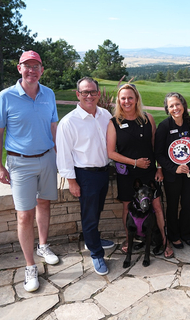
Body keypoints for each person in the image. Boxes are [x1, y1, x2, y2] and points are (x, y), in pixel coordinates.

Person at [0, 50, 59, 292]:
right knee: (24, 215)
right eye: (26, 66)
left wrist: (59, 155)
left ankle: (42, 246)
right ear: (19, 68)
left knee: (44, 204)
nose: (31, 70)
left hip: (47, 158)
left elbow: (53, 126)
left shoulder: (49, 94)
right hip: (20, 163)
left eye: (36, 66)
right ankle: (30, 266)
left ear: (42, 70)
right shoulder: (5, 96)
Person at [56, 77, 116, 276]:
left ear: (98, 94)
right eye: (85, 92)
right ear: (78, 95)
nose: (89, 96)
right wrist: (72, 181)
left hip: (103, 172)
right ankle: (96, 253)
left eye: (92, 92)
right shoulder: (69, 122)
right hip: (85, 175)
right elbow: (63, 155)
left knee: (97, 211)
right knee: (89, 216)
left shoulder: (105, 114)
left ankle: (94, 240)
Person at [107, 84, 174, 259]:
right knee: (127, 208)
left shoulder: (147, 118)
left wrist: (159, 167)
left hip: (149, 172)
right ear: (118, 101)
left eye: (130, 97)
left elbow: (155, 146)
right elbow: (111, 152)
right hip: (127, 174)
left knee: (157, 207)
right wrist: (134, 162)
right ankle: (130, 240)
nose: (127, 101)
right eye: (123, 98)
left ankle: (165, 241)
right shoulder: (114, 122)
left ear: (137, 99)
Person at [154, 92, 190, 249]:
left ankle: (186, 234)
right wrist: (174, 168)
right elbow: (158, 153)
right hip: (172, 174)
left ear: (183, 105)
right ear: (167, 109)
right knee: (172, 206)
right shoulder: (164, 126)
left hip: (189, 172)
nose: (175, 108)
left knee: (187, 204)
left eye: (178, 104)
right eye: (171, 106)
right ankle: (174, 235)